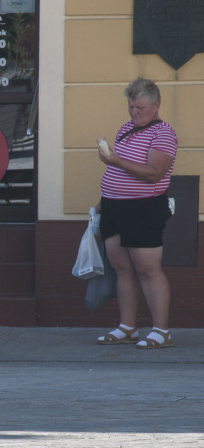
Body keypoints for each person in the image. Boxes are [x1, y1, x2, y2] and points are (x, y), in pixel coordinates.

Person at [96, 77, 178, 349]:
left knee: (147, 269)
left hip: (143, 208)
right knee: (121, 268)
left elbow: (155, 173)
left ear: (156, 105)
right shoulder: (126, 128)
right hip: (113, 206)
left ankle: (161, 330)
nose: (134, 113)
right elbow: (118, 171)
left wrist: (117, 159)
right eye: (131, 107)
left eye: (140, 107)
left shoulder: (163, 133)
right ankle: (127, 327)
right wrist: (104, 197)